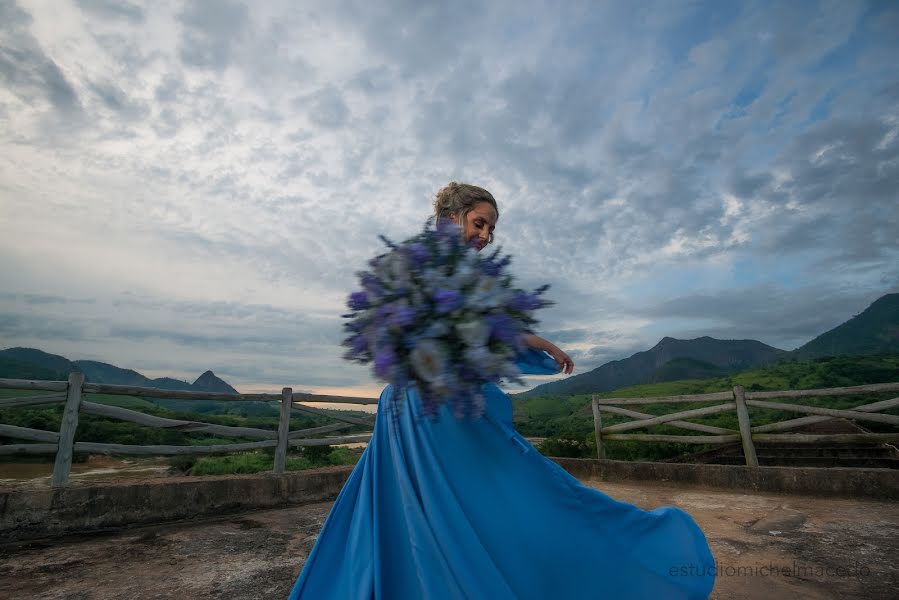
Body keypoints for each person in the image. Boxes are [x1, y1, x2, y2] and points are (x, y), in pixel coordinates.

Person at [288, 183, 716, 599]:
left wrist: (539, 343)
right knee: (490, 491)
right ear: (450, 217)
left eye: (491, 229)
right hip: (427, 403)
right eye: (479, 223)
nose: (485, 236)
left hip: (428, 400)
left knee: (481, 495)